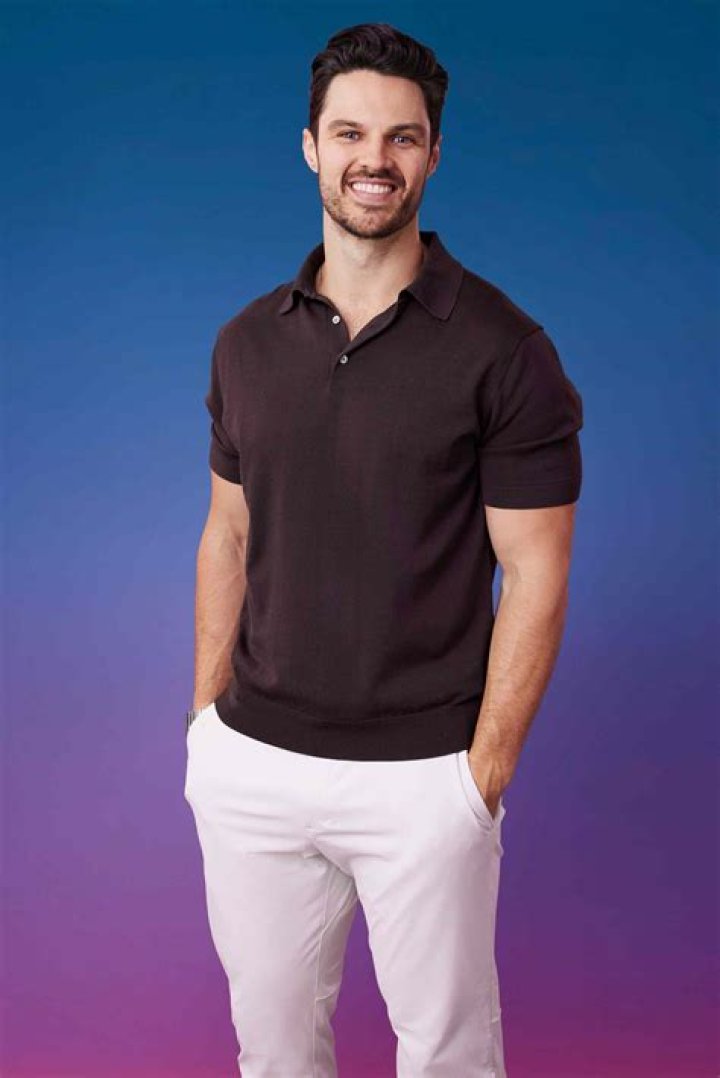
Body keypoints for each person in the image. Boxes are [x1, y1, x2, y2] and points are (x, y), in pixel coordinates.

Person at [184, 21, 583, 1078]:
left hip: (422, 777)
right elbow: (228, 531)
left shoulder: (504, 351)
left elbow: (537, 569)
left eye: (402, 137)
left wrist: (481, 774)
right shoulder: (246, 343)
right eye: (351, 133)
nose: (375, 159)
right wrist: (205, 723)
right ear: (310, 146)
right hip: (254, 767)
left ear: (434, 154)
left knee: (447, 1059)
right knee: (272, 1057)